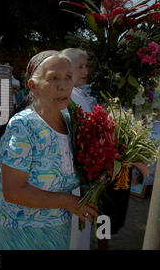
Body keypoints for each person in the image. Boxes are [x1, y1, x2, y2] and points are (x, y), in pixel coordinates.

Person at [0, 51, 99, 250]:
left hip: (58, 231)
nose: (63, 85)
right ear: (33, 87)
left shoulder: (72, 123)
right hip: (21, 234)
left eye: (68, 77)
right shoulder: (24, 125)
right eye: (53, 78)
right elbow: (13, 191)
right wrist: (69, 201)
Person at [61, 48, 93, 250]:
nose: (86, 71)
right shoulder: (63, 97)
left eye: (86, 66)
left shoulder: (78, 94)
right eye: (80, 66)